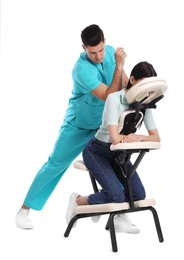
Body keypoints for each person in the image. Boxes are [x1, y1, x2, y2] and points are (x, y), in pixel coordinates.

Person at [15, 24, 137, 232]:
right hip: (79, 124)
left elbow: (126, 85)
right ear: (83, 48)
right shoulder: (81, 69)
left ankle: (119, 215)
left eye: (100, 50)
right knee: (56, 163)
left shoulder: (110, 53)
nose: (98, 56)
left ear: (104, 42)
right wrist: (118, 67)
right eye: (92, 52)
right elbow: (108, 97)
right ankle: (24, 209)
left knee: (118, 160)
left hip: (104, 123)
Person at [66, 61, 160, 233]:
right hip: (97, 152)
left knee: (138, 195)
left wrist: (138, 137)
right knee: (116, 196)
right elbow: (115, 138)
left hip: (119, 156)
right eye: (142, 84)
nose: (144, 91)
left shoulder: (143, 104)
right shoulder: (114, 99)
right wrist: (132, 139)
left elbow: (156, 137)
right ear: (132, 79)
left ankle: (115, 211)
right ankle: (78, 200)